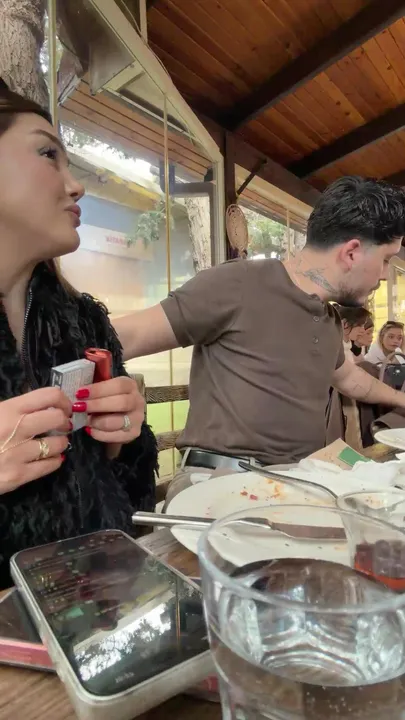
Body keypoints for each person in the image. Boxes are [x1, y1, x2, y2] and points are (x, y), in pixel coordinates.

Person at [115, 175, 405, 501]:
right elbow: (126, 336)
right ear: (352, 253)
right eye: (386, 259)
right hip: (219, 480)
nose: (385, 274)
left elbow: (351, 379)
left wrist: (401, 400)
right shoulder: (237, 283)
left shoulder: (329, 319)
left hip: (299, 481)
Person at [0, 82, 156, 588]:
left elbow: (128, 485)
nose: (77, 186)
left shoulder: (85, 321)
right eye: (48, 154)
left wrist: (122, 436)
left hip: (97, 601)